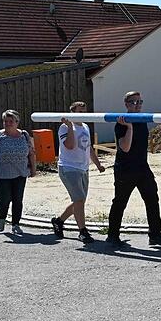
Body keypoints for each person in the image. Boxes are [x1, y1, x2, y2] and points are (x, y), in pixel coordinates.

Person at [107, 91, 161, 247]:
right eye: (134, 102)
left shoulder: (142, 119)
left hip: (142, 167)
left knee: (152, 200)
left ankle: (155, 235)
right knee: (120, 202)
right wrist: (129, 128)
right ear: (126, 104)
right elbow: (125, 148)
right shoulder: (121, 122)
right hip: (125, 169)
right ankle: (112, 236)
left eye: (140, 102)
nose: (138, 105)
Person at [51, 102, 106, 243]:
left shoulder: (86, 127)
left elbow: (88, 148)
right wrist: (70, 127)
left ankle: (59, 221)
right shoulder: (65, 127)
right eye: (79, 111)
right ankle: (82, 231)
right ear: (72, 112)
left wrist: (98, 164)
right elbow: (69, 146)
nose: (82, 113)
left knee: (79, 201)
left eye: (84, 111)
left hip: (83, 168)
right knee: (79, 200)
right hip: (69, 168)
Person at [0, 110, 36, 236]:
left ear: (17, 122)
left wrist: (33, 169)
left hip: (20, 173)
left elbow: (31, 153)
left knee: (18, 200)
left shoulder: (24, 135)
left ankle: (16, 224)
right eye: (5, 121)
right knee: (5, 198)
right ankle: (2, 219)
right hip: (2, 174)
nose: (7, 124)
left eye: (10, 121)